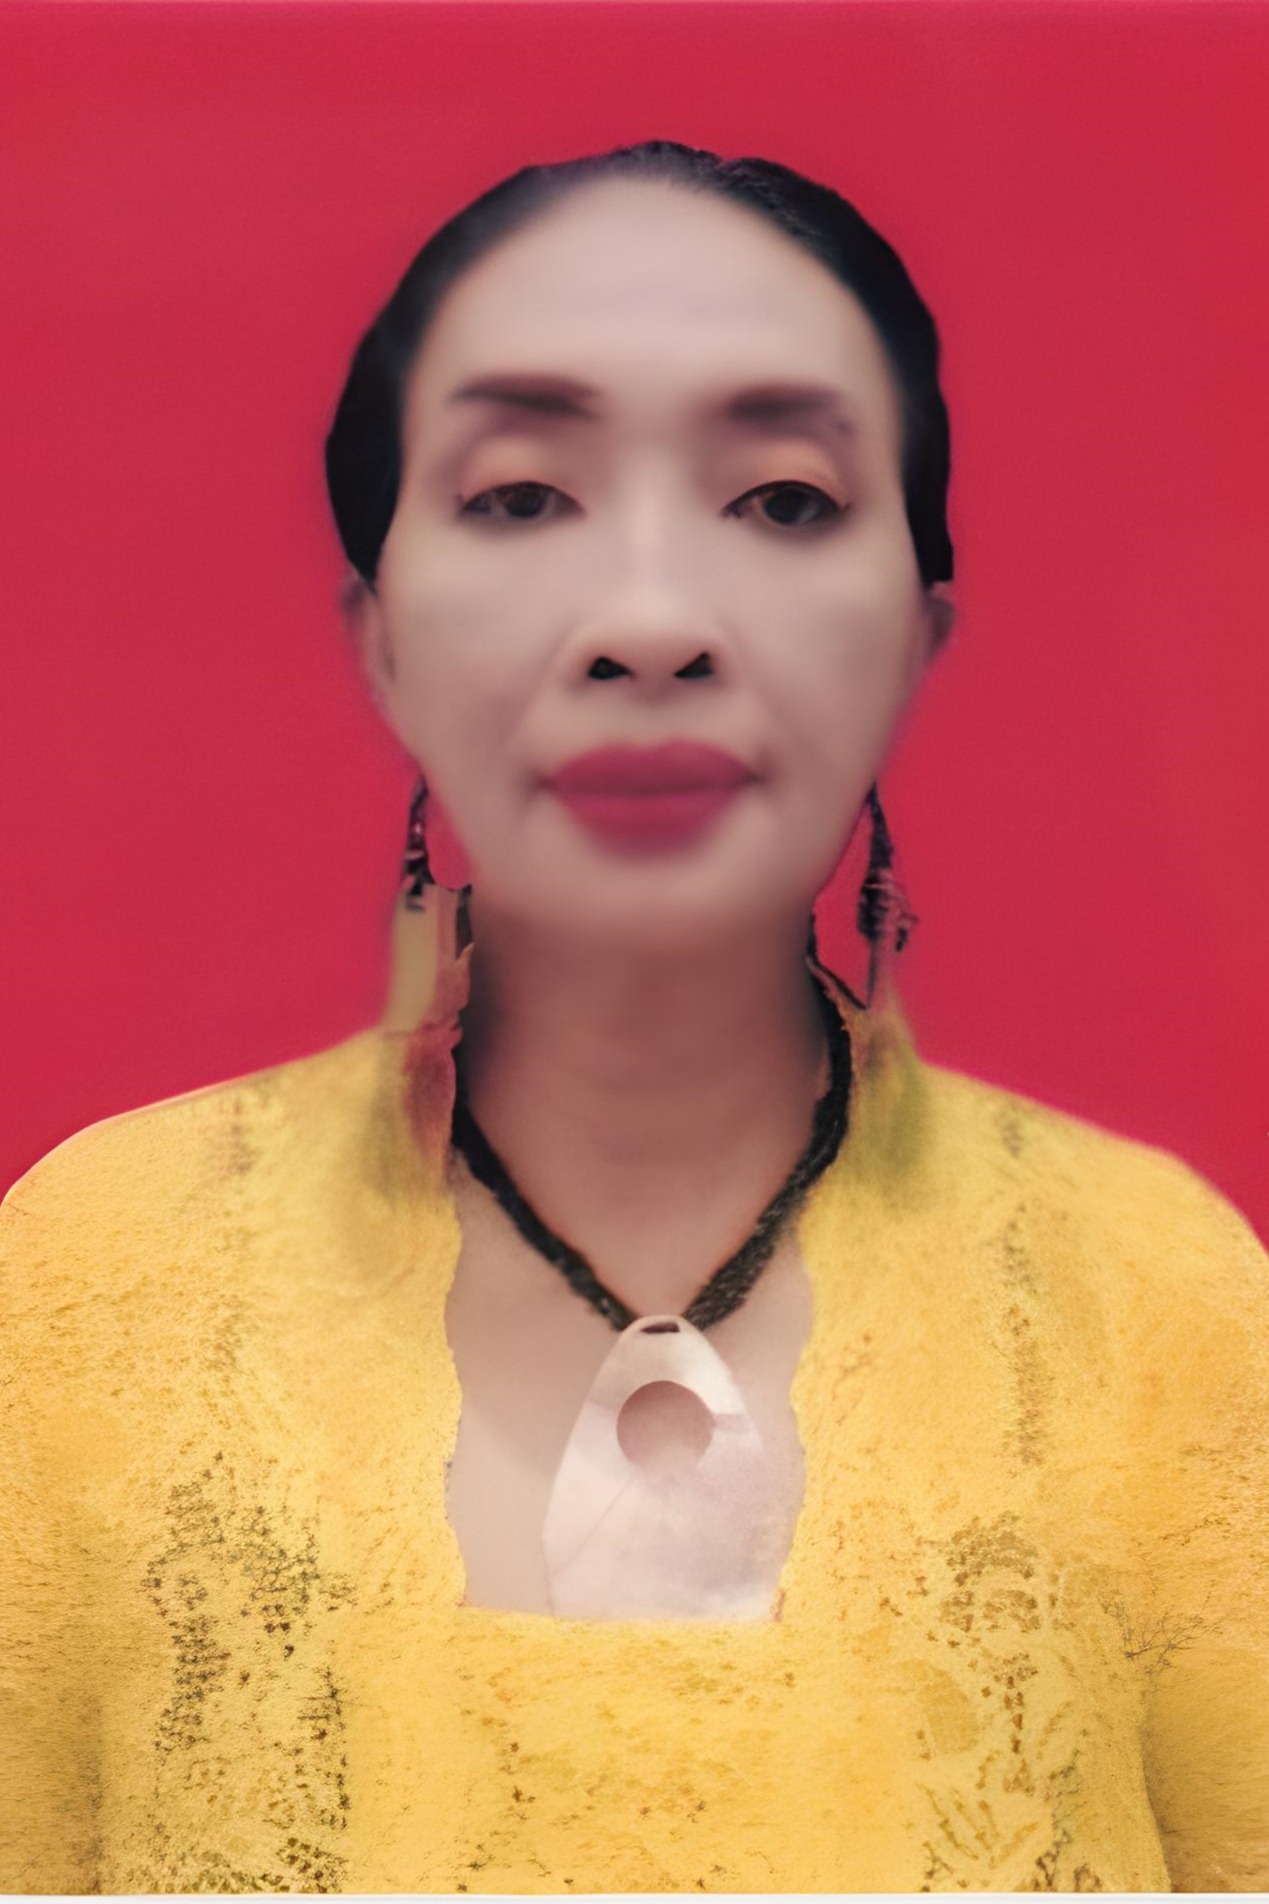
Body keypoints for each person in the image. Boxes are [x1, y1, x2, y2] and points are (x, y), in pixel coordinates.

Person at [1, 139, 1266, 1896]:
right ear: (378, 635)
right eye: (522, 495)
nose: (653, 625)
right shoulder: (82, 1287)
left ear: (916, 632)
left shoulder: (1167, 1301)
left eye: (784, 501)